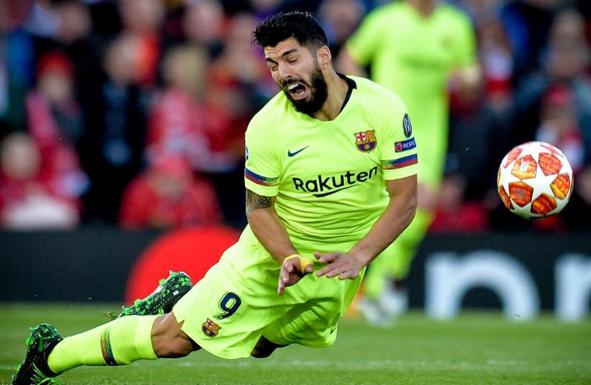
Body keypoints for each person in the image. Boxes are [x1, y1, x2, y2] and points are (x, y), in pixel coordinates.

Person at [12, 11, 418, 384]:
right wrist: (287, 257)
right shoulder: (268, 127)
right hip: (270, 261)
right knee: (174, 339)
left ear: (324, 56)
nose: (282, 74)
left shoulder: (382, 109)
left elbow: (404, 199)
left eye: (292, 59)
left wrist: (360, 255)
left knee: (261, 347)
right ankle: (50, 357)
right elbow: (258, 210)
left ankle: (186, 301)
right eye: (273, 64)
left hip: (337, 270)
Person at [337, 0, 479, 323]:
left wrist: (468, 81)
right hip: (386, 124)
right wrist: (364, 100)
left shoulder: (455, 25)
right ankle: (376, 287)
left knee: (421, 208)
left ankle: (380, 285)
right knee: (387, 205)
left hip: (430, 129)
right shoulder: (385, 20)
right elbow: (350, 60)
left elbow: (470, 80)